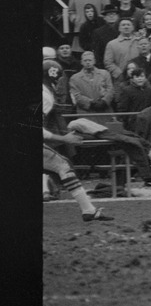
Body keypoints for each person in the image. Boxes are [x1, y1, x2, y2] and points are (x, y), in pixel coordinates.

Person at [41, 60, 113, 220]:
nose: (60, 84)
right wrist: (64, 138)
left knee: (61, 165)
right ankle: (88, 210)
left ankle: (88, 210)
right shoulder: (45, 95)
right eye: (59, 79)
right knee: (63, 165)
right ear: (52, 77)